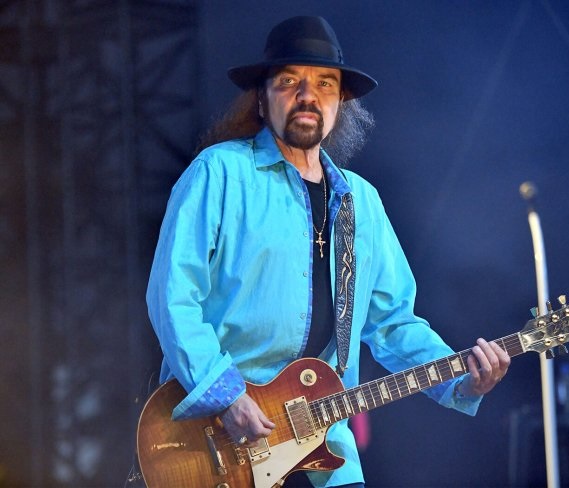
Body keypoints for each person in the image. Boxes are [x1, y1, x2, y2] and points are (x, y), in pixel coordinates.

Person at [146, 15, 510, 488]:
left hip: (326, 443)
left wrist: (460, 379)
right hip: (218, 433)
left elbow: (393, 324)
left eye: (324, 83)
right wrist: (226, 395)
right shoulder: (219, 173)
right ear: (262, 99)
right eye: (288, 81)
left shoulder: (362, 202)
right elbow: (173, 296)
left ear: (341, 103)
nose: (307, 95)